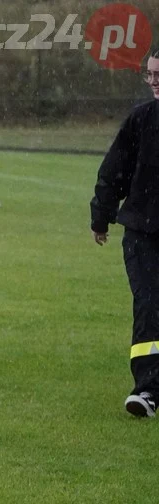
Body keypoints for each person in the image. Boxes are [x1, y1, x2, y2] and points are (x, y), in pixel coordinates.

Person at [89, 48, 159, 418]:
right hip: (143, 232)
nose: (154, 82)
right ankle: (147, 391)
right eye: (150, 74)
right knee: (149, 304)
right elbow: (113, 170)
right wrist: (101, 216)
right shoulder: (142, 120)